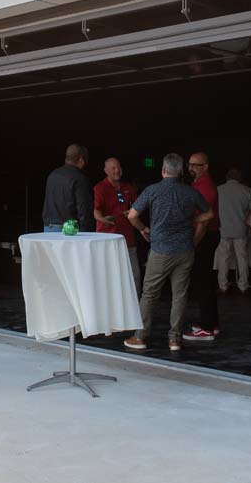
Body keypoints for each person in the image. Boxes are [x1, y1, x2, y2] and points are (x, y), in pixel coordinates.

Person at [123, 153, 214, 352]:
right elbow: (209, 214)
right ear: (181, 171)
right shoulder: (190, 192)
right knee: (179, 295)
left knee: (149, 294)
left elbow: (132, 215)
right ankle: (175, 339)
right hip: (185, 250)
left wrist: (143, 229)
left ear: (163, 170)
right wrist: (192, 221)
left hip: (160, 250)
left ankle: (140, 337)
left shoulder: (152, 190)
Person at [183, 151, 220, 342]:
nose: (190, 168)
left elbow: (204, 221)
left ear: (205, 166)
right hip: (206, 236)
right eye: (189, 164)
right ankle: (211, 324)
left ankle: (206, 327)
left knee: (202, 281)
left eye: (195, 165)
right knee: (205, 281)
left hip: (204, 237)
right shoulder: (199, 184)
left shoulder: (204, 187)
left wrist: (194, 243)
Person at [93, 157, 140, 289]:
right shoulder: (100, 188)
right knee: (107, 275)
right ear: (105, 170)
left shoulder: (128, 187)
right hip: (106, 238)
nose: (117, 170)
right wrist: (102, 219)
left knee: (134, 274)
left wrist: (132, 211)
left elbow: (138, 206)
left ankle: (134, 306)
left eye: (119, 167)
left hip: (127, 238)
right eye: (113, 168)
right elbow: (96, 212)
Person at [215, 168, 251, 294]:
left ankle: (223, 285)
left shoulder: (218, 190)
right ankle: (243, 285)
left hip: (223, 229)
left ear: (227, 177)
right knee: (242, 257)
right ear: (239, 178)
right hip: (240, 229)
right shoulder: (246, 190)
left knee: (223, 258)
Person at [41, 143, 93, 232]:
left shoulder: (53, 175)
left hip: (49, 228)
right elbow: (83, 209)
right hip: (69, 230)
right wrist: (86, 230)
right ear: (81, 160)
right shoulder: (80, 179)